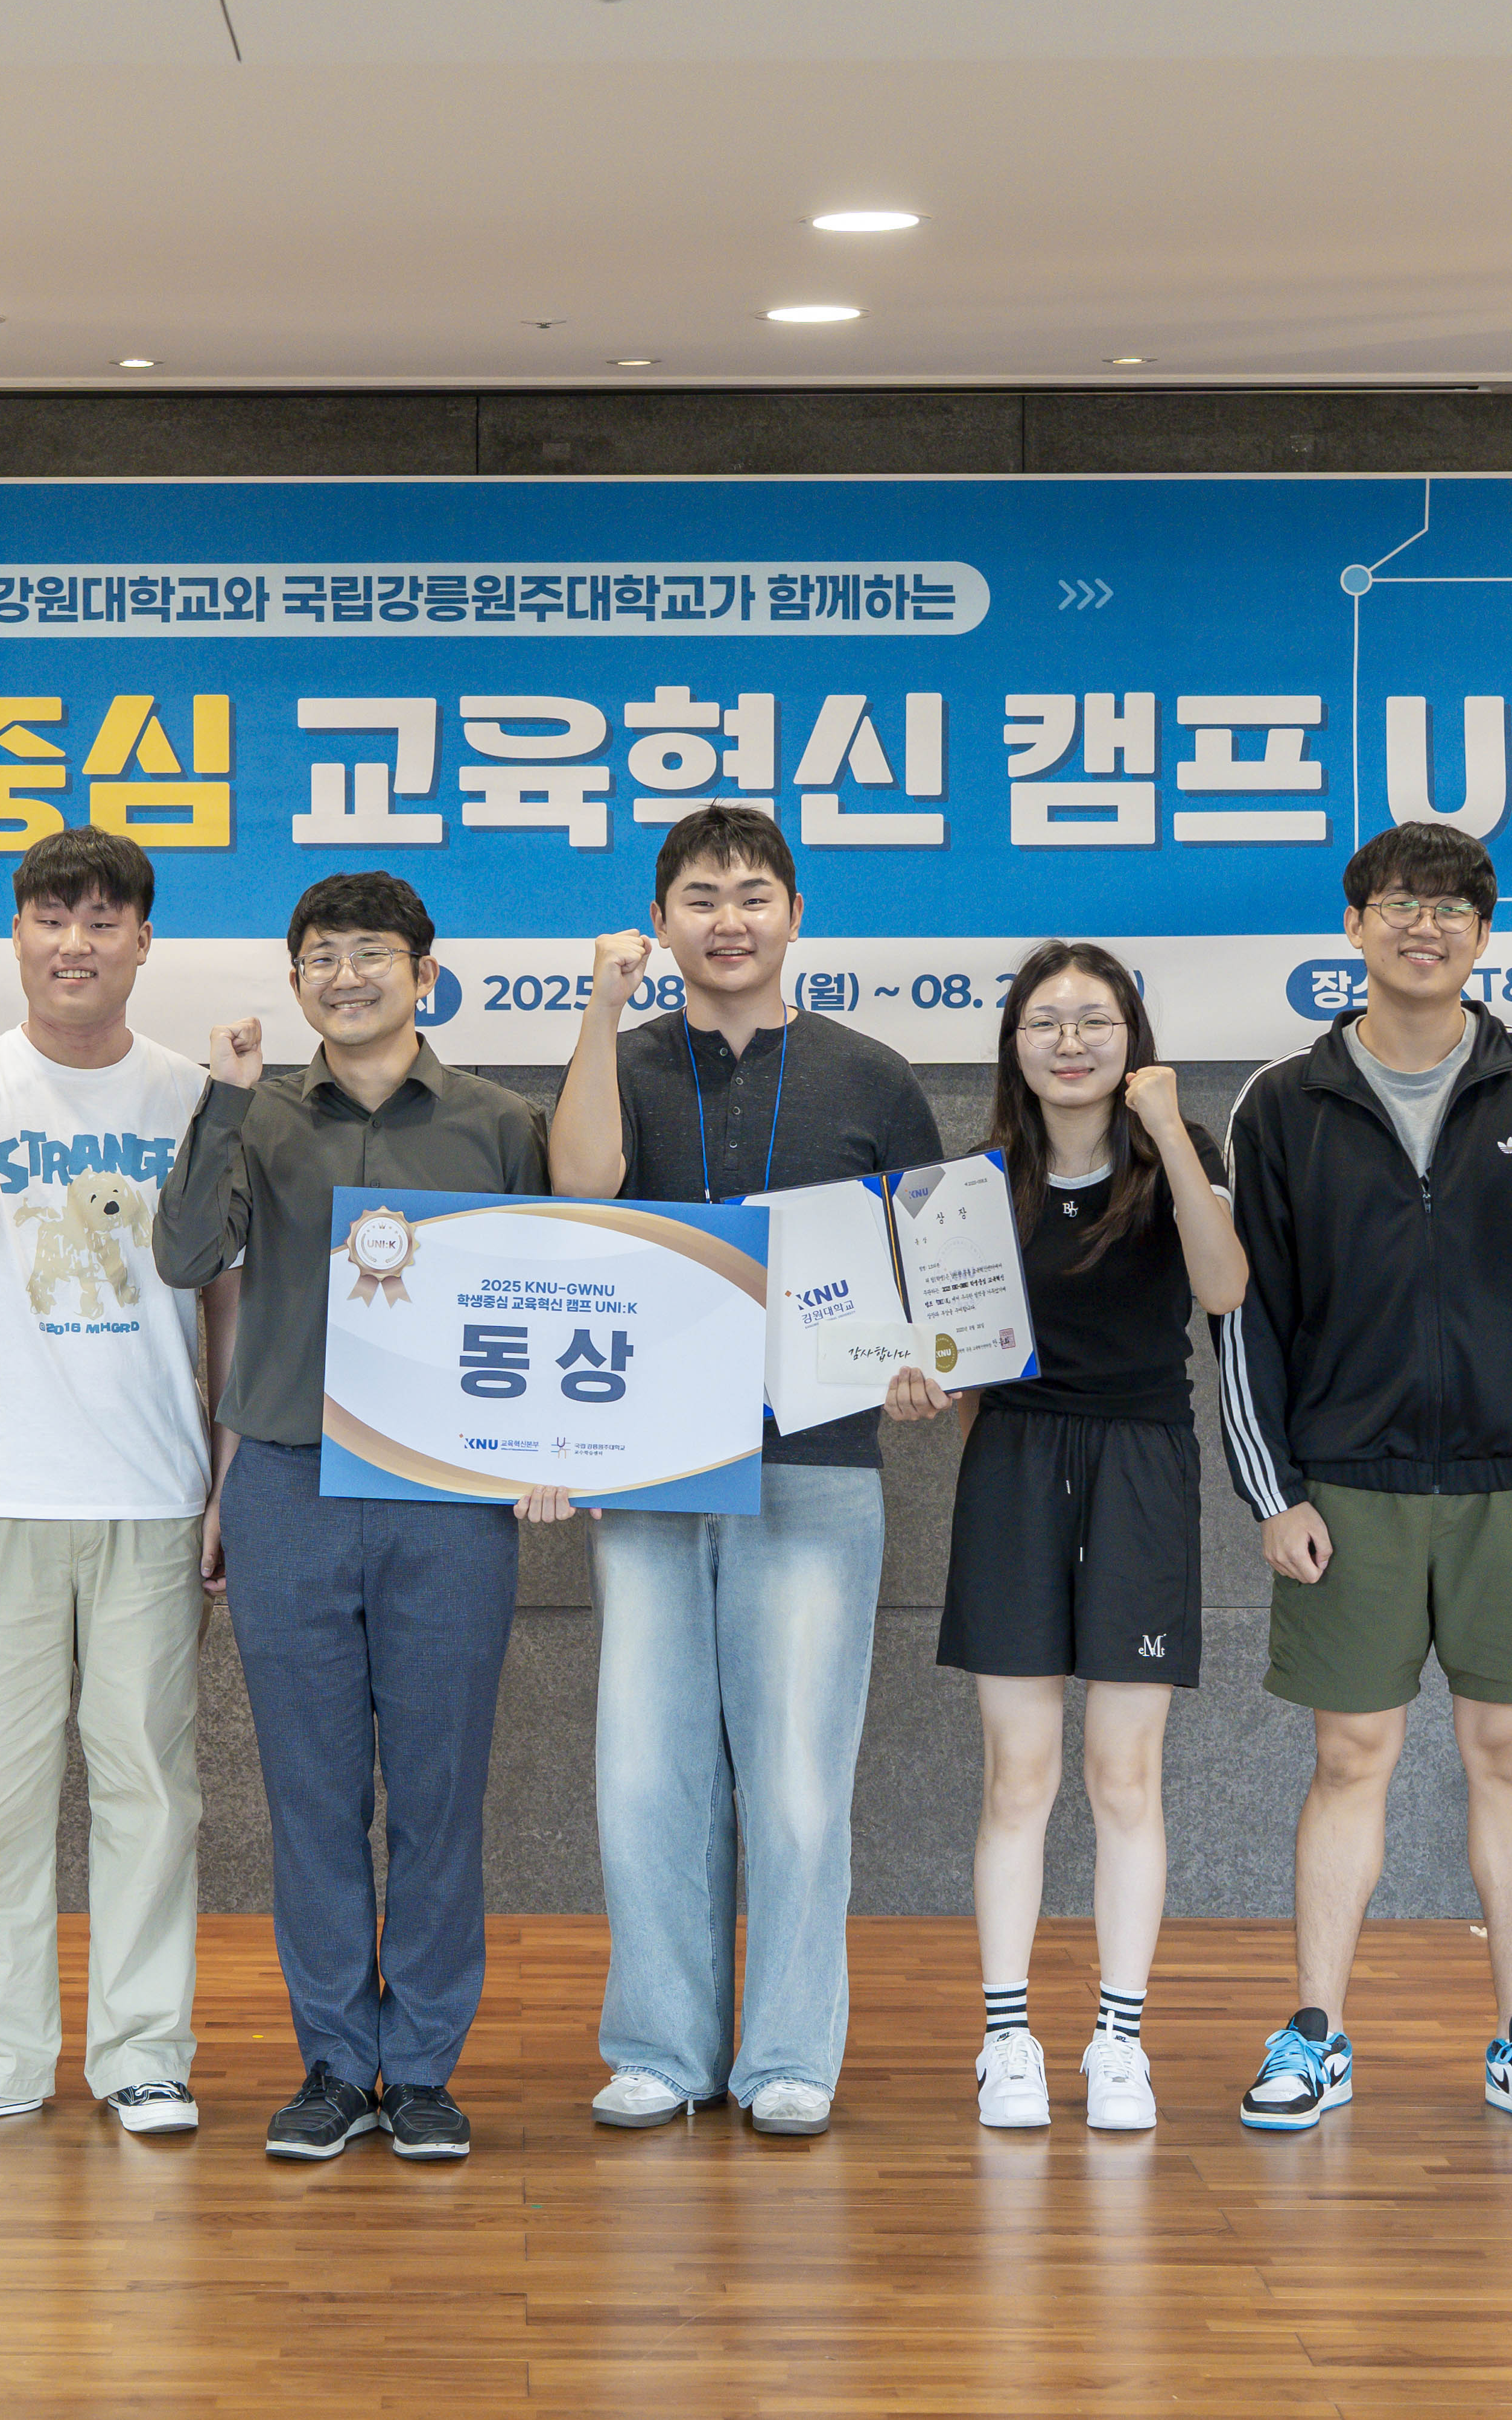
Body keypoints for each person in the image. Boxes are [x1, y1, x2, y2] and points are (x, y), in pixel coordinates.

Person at [1215, 821, 1512, 2143]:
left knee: (1509, 1756)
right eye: (1400, 904)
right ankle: (1313, 2032)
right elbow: (1245, 1316)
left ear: (1482, 934)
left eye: (1452, 908)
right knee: (1347, 1756)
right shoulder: (1282, 1102)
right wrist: (1272, 1492)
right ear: (1353, 925)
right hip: (1348, 1484)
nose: (1425, 926)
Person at [547, 802, 945, 2139]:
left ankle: (786, 2052)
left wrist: (926, 1359)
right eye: (700, 899)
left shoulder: (870, 1075)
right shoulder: (619, 1060)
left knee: (795, 1781)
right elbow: (579, 1190)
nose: (728, 921)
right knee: (644, 1775)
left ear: (794, 915)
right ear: (659, 921)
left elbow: (931, 1266)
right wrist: (600, 1010)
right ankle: (659, 2047)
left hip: (816, 1465)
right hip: (651, 1465)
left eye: (753, 896)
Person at [154, 870, 563, 2164]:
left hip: (448, 1497)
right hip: (290, 1482)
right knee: (311, 1795)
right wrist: (224, 1098)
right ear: (294, 982)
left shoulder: (500, 1123)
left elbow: (554, 1288)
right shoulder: (256, 1114)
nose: (345, 976)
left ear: (424, 973)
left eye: (371, 953)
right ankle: (335, 2063)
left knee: (440, 1795)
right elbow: (181, 1257)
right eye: (320, 957)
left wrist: (547, 1450)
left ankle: (424, 2068)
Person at [0, 827, 233, 2138]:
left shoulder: (191, 1095)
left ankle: (143, 2055)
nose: (74, 943)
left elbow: (229, 1299)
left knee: (150, 1786)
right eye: (50, 918)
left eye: (101, 920)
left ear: (143, 941)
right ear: (16, 934)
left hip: (152, 1490)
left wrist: (227, 1475)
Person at [886, 941, 1244, 2133]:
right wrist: (925, 1385)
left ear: (1133, 1040)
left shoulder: (1181, 1158)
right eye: (1045, 1021)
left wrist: (1172, 1135)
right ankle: (1006, 2040)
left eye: (1096, 1020)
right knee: (1019, 1774)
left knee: (1123, 1774)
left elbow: (1223, 1287)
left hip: (1142, 1463)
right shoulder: (970, 1186)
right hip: (1015, 1469)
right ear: (1014, 1047)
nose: (1071, 1041)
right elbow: (956, 1364)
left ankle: (1118, 2040)